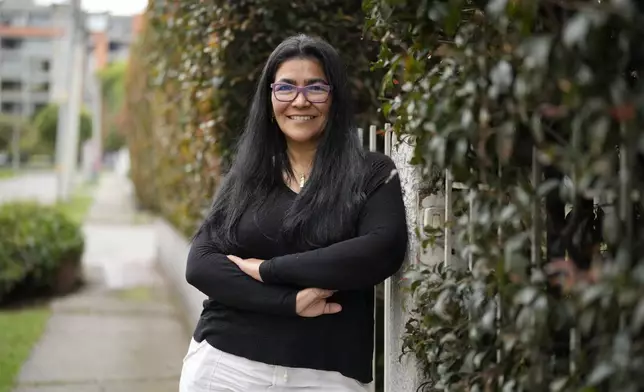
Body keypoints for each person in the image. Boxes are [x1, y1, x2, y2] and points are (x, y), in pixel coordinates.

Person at [179, 34, 408, 392]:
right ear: (270, 99)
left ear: (334, 97)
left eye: (315, 87)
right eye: (285, 88)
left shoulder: (372, 173)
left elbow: (381, 250)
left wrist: (266, 270)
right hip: (226, 366)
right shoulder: (247, 177)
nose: (300, 101)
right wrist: (290, 302)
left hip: (327, 376)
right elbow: (201, 264)